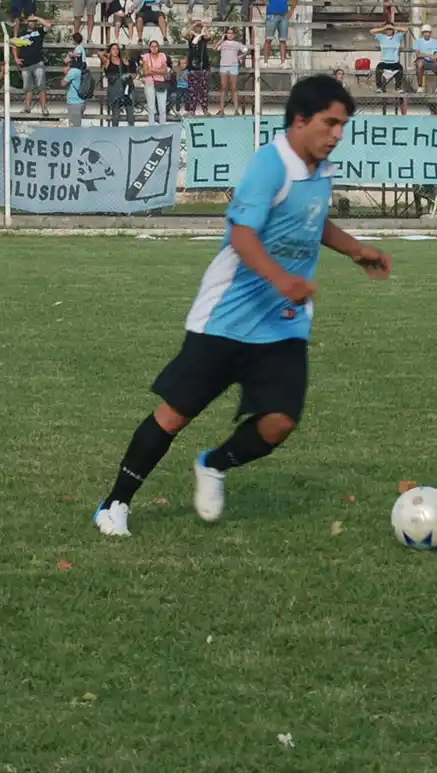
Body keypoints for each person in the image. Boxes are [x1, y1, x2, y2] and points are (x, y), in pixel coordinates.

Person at [93, 76, 392, 538]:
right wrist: (282, 279)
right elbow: (242, 235)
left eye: (342, 126)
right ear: (300, 119)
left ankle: (213, 465)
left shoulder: (320, 169)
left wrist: (355, 250)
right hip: (226, 319)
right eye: (330, 123)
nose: (337, 135)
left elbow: (313, 219)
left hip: (282, 324)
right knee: (175, 415)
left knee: (280, 422)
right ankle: (115, 504)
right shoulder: (269, 166)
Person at [256, 0, 295, 65]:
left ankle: (283, 61)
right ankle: (265, 61)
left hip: (283, 15)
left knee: (283, 40)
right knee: (268, 39)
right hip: (272, 14)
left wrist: (291, 11)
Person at [370, 21, 405, 92]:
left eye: (390, 29)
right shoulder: (381, 37)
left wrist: (393, 27)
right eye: (387, 29)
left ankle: (398, 87)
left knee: (400, 68)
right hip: (384, 62)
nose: (389, 30)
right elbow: (371, 31)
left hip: (394, 61)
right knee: (378, 68)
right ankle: (379, 87)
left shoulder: (397, 37)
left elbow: (406, 29)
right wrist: (383, 28)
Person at [216, 27, 244, 114]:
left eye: (231, 33)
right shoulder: (223, 43)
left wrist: (240, 56)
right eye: (228, 33)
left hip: (233, 66)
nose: (230, 35)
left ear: (234, 35)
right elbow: (215, 48)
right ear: (226, 34)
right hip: (224, 66)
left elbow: (246, 50)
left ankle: (236, 110)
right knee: (223, 87)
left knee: (234, 88)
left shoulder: (237, 44)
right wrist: (221, 39)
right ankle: (222, 109)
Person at [62, 53, 86, 125]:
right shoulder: (82, 70)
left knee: (74, 129)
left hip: (74, 102)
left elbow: (63, 83)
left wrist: (66, 73)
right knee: (76, 125)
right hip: (81, 101)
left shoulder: (73, 71)